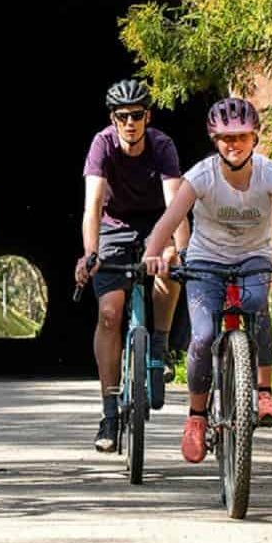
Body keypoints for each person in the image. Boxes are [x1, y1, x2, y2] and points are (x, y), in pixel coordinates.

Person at [143, 97, 272, 463]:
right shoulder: (201, 176)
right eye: (225, 138)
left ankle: (263, 392)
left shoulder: (270, 174)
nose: (234, 144)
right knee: (203, 335)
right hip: (206, 259)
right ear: (214, 140)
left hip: (253, 256)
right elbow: (169, 219)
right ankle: (196, 418)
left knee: (256, 304)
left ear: (254, 138)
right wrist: (152, 254)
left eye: (241, 137)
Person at [74, 78, 187, 453]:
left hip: (157, 225)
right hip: (114, 229)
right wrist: (91, 253)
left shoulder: (162, 146)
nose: (130, 123)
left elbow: (176, 203)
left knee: (169, 263)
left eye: (137, 115)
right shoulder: (102, 144)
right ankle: (109, 411)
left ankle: (159, 344)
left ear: (147, 117)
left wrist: (181, 251)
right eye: (122, 116)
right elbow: (92, 206)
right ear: (113, 118)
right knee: (110, 313)